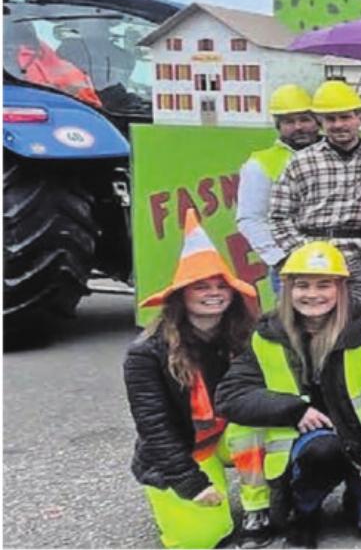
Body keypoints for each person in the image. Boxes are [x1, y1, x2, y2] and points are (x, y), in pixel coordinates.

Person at [214, 241, 361, 548]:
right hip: (305, 442)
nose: (312, 294)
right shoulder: (267, 333)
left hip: (357, 439)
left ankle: (356, 495)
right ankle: (304, 511)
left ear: (341, 289)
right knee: (324, 450)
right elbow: (230, 396)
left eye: (324, 284)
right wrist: (294, 410)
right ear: (287, 289)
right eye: (302, 285)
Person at [127, 209, 270, 549]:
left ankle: (259, 506)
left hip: (229, 434)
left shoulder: (244, 336)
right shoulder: (145, 353)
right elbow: (155, 429)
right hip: (184, 450)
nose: (214, 293)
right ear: (181, 295)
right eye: (202, 286)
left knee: (263, 422)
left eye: (222, 285)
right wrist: (191, 484)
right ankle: (184, 503)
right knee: (204, 538)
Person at [269, 80, 361, 314]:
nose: (338, 125)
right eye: (330, 119)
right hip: (313, 257)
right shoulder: (301, 161)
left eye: (345, 117)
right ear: (321, 123)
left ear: (360, 117)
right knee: (304, 324)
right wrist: (302, 251)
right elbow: (279, 216)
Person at [237, 84, 320, 293]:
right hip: (290, 266)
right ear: (278, 126)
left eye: (304, 119)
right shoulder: (260, 164)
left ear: (318, 122)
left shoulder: (335, 155)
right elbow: (251, 218)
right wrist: (281, 259)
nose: (298, 127)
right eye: (289, 121)